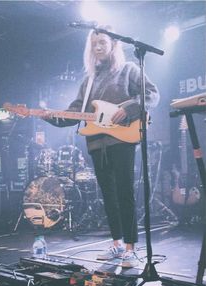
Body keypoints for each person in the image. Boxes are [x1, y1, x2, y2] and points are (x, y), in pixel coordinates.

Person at [43, 25, 160, 268]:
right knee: (108, 196)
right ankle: (116, 243)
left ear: (114, 45)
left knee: (125, 193)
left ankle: (130, 246)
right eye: (94, 44)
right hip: (96, 144)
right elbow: (75, 112)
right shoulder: (89, 81)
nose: (98, 47)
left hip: (122, 139)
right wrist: (49, 116)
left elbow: (151, 94)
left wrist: (126, 109)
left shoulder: (128, 70)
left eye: (102, 42)